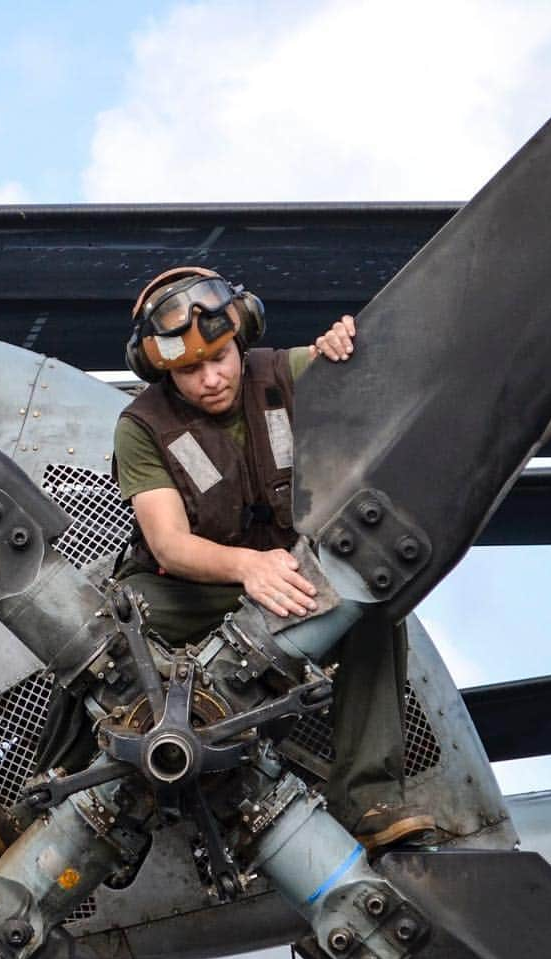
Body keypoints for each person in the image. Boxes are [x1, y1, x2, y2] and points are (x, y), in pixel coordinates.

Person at [113, 266, 433, 851]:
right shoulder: (141, 427)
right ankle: (45, 790)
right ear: (162, 371)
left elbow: (384, 371)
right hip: (195, 588)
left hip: (288, 577)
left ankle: (369, 801)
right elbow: (169, 544)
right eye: (189, 370)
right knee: (105, 628)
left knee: (374, 608)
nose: (211, 378)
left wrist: (345, 346)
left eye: (220, 357)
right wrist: (246, 567)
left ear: (242, 340)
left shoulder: (286, 373)